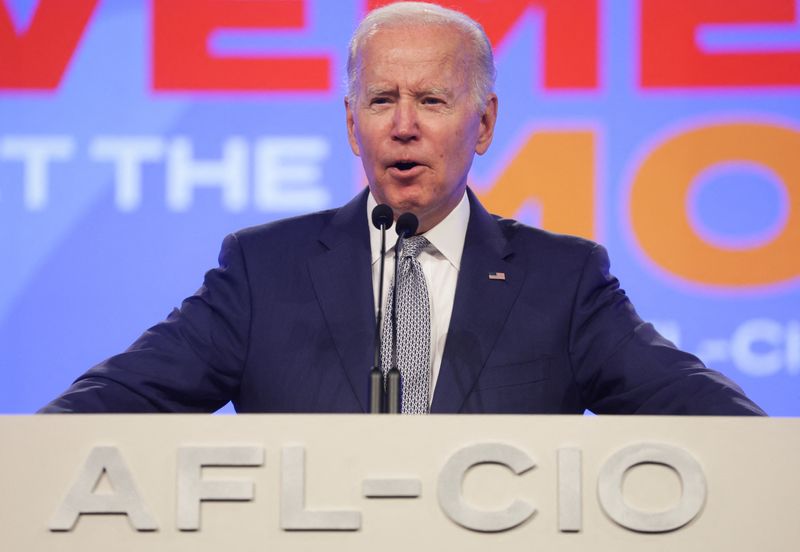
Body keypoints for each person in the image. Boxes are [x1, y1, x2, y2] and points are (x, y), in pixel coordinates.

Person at [40, 2, 764, 415]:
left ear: (482, 124)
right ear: (351, 122)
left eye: (432, 100)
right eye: (382, 100)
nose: (403, 124)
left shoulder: (564, 281)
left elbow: (708, 415)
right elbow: (109, 403)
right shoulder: (265, 272)